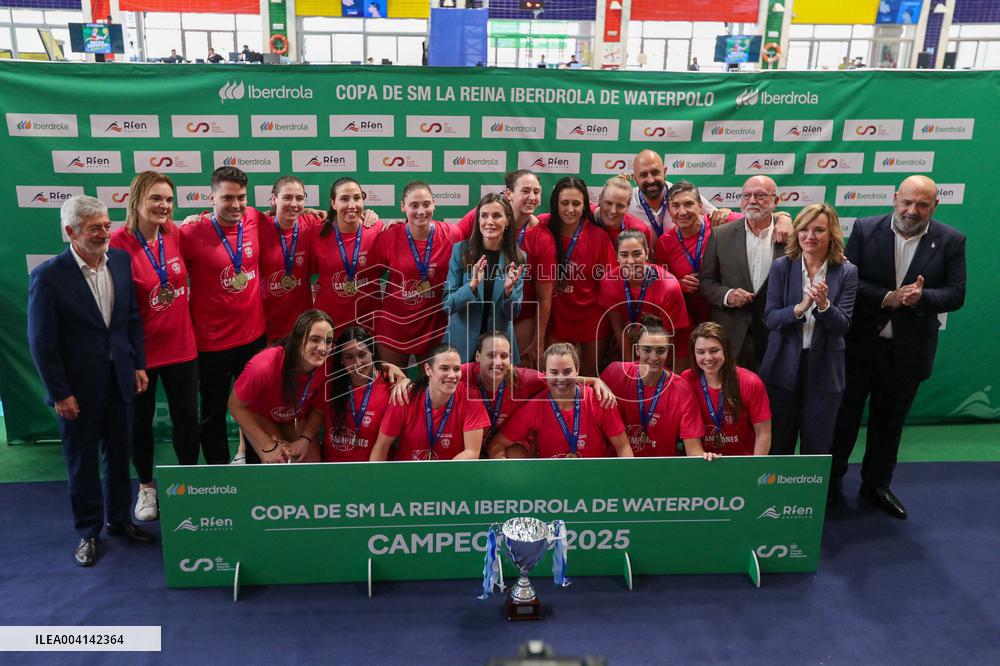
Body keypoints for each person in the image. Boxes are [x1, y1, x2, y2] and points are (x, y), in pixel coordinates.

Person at [830, 176, 967, 518]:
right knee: (842, 420)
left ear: (935, 206)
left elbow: (956, 293)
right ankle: (829, 485)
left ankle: (875, 486)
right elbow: (848, 280)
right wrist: (887, 297)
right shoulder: (864, 228)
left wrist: (922, 297)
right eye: (907, 202)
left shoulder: (951, 240)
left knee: (889, 424)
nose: (912, 210)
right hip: (858, 347)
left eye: (922, 204)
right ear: (894, 199)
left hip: (907, 352)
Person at [28, 196, 153, 567]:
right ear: (71, 232)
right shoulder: (48, 276)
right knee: (81, 462)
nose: (104, 233)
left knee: (118, 456)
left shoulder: (122, 261)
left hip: (120, 380)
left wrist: (138, 364)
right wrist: (59, 393)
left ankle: (119, 520)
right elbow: (41, 343)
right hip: (76, 392)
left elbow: (130, 319)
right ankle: (88, 532)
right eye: (94, 228)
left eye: (106, 224)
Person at [109, 172, 198, 522]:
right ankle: (146, 488)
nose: (164, 206)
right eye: (156, 199)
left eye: (169, 200)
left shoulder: (176, 234)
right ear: (137, 201)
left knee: (186, 421)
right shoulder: (117, 243)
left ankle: (190, 483)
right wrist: (130, 359)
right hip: (139, 354)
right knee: (139, 423)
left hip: (182, 347)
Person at [179, 166, 267, 464]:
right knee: (213, 412)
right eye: (228, 198)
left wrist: (320, 211)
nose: (236, 205)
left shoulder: (254, 218)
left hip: (253, 338)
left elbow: (291, 215)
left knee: (254, 407)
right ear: (211, 197)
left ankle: (255, 469)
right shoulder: (190, 232)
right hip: (210, 343)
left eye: (241, 197)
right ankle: (219, 475)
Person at [760, 203, 858, 457]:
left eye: (819, 230)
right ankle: (775, 495)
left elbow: (842, 326)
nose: (810, 236)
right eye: (804, 229)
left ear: (832, 234)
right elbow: (770, 319)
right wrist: (800, 308)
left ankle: (811, 496)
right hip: (782, 365)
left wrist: (824, 306)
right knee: (780, 441)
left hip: (825, 368)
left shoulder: (846, 271)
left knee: (817, 443)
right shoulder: (782, 266)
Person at [457, 170, 554, 370]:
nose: (533, 197)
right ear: (508, 193)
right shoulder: (481, 216)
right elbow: (450, 242)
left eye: (537, 192)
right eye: (526, 191)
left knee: (509, 376)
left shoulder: (542, 237)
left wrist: (538, 340)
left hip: (514, 313)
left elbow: (544, 295)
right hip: (473, 312)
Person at [465, 331, 617, 458]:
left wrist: (594, 380)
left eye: (504, 356)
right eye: (491, 355)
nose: (498, 362)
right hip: (472, 440)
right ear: (478, 356)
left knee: (514, 453)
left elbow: (557, 378)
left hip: (507, 441)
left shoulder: (524, 378)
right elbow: (443, 373)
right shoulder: (463, 373)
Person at [698, 175, 786, 371]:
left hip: (776, 335)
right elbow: (706, 283)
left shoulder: (791, 235)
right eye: (746, 195)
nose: (752, 201)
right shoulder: (721, 235)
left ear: (776, 201)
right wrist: (728, 296)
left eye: (760, 195)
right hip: (731, 335)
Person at [371, 181, 462, 367]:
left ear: (434, 204)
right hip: (394, 325)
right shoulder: (389, 236)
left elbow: (480, 217)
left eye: (426, 204)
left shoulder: (453, 235)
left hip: (434, 325)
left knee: (432, 389)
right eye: (414, 205)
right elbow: (373, 273)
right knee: (392, 387)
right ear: (403, 206)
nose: (421, 211)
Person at [488, 344, 633, 459]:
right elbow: (497, 444)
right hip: (552, 487)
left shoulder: (599, 399)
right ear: (544, 374)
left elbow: (623, 447)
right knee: (514, 453)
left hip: (595, 482)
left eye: (567, 371)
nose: (561, 378)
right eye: (554, 372)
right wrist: (504, 467)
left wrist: (625, 486)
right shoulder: (534, 407)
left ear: (577, 371)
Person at [228, 310, 331, 464]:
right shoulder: (263, 365)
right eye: (314, 339)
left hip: (294, 418)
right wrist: (267, 445)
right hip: (260, 416)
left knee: (312, 465)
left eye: (328, 341)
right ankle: (245, 454)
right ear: (297, 339)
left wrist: (305, 439)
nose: (323, 348)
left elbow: (318, 410)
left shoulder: (327, 366)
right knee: (277, 461)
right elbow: (235, 406)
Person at [600, 319, 712, 458]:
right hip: (617, 468)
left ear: (668, 351)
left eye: (660, 350)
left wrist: (706, 459)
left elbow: (693, 449)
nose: (654, 357)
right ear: (637, 349)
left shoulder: (681, 389)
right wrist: (594, 381)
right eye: (647, 349)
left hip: (663, 471)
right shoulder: (615, 373)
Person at [655, 181, 740, 355]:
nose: (682, 211)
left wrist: (783, 217)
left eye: (688, 204)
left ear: (700, 206)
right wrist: (678, 283)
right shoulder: (664, 243)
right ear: (669, 211)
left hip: (727, 315)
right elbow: (662, 284)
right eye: (675, 206)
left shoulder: (721, 222)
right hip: (691, 322)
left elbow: (760, 219)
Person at [544, 177, 615, 377]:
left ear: (585, 206)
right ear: (555, 204)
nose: (570, 209)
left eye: (576, 203)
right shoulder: (543, 227)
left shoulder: (598, 236)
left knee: (591, 376)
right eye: (564, 203)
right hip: (556, 316)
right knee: (555, 375)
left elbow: (611, 282)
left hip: (592, 317)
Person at [371, 344, 491, 461]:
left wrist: (440, 477)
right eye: (444, 368)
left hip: (451, 475)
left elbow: (472, 452)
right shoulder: (405, 396)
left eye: (456, 369)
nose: (452, 375)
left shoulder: (471, 397)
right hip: (408, 475)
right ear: (428, 369)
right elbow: (381, 447)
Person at [445, 194, 525, 362]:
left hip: (499, 348)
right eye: (484, 215)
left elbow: (512, 314)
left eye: (497, 216)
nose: (490, 221)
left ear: (508, 221)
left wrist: (508, 292)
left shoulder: (518, 257)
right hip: (461, 346)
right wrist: (471, 286)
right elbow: (448, 305)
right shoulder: (461, 251)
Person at [598, 230, 689, 368]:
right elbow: (619, 329)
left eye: (637, 254)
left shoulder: (668, 286)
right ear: (617, 256)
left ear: (646, 253)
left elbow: (668, 338)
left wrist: (655, 370)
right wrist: (632, 368)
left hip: (670, 344)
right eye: (624, 255)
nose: (631, 261)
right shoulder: (608, 282)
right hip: (632, 342)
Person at [321, 327, 410, 462]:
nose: (357, 363)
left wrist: (406, 381)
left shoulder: (391, 385)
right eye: (349, 357)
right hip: (330, 472)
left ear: (372, 353)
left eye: (362, 355)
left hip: (370, 472)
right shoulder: (330, 386)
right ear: (341, 360)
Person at [682, 322, 771, 456]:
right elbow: (689, 435)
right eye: (700, 352)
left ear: (726, 350)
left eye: (714, 351)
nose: (708, 358)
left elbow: (763, 433)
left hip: (742, 463)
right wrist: (701, 458)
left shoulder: (751, 382)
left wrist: (754, 469)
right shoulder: (687, 380)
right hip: (704, 462)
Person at [313, 177, 384, 336]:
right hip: (328, 327)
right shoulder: (316, 232)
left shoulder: (377, 229)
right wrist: (306, 210)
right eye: (344, 199)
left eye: (357, 198)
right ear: (333, 203)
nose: (352, 205)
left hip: (367, 329)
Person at [257, 176, 320, 342]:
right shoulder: (258, 225)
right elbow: (226, 222)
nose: (294, 204)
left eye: (299, 198)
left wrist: (366, 214)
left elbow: (345, 220)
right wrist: (203, 217)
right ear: (274, 199)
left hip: (302, 328)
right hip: (264, 328)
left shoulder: (313, 223)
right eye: (287, 197)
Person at [627, 150, 724, 243]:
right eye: (643, 175)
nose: (651, 180)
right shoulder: (626, 202)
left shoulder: (681, 194)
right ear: (635, 178)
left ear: (664, 172)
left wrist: (725, 212)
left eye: (655, 172)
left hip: (680, 257)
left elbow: (717, 215)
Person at [592, 175, 654, 252]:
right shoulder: (583, 215)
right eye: (608, 203)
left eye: (620, 206)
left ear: (627, 207)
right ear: (600, 199)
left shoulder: (639, 230)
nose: (613, 210)